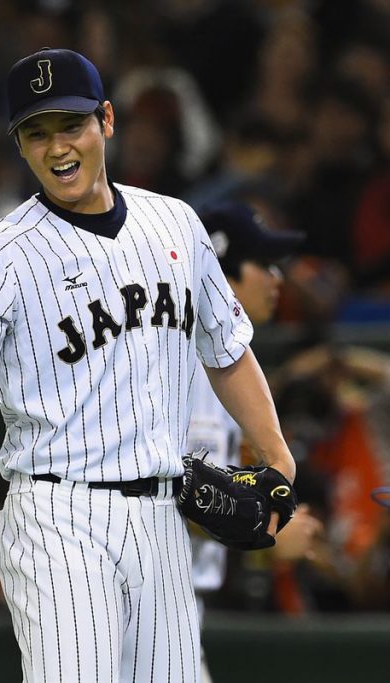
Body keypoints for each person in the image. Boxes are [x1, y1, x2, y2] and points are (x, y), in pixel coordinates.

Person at [0, 47, 297, 682]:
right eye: (36, 133)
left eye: (70, 125)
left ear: (106, 120)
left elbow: (227, 350)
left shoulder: (175, 224)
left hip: (162, 516)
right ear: (20, 146)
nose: (56, 147)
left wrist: (276, 453)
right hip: (58, 519)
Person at [187, 202, 322, 681]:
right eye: (262, 264)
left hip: (165, 604)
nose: (276, 278)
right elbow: (170, 496)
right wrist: (268, 540)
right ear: (222, 276)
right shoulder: (196, 366)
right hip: (140, 603)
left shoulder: (209, 365)